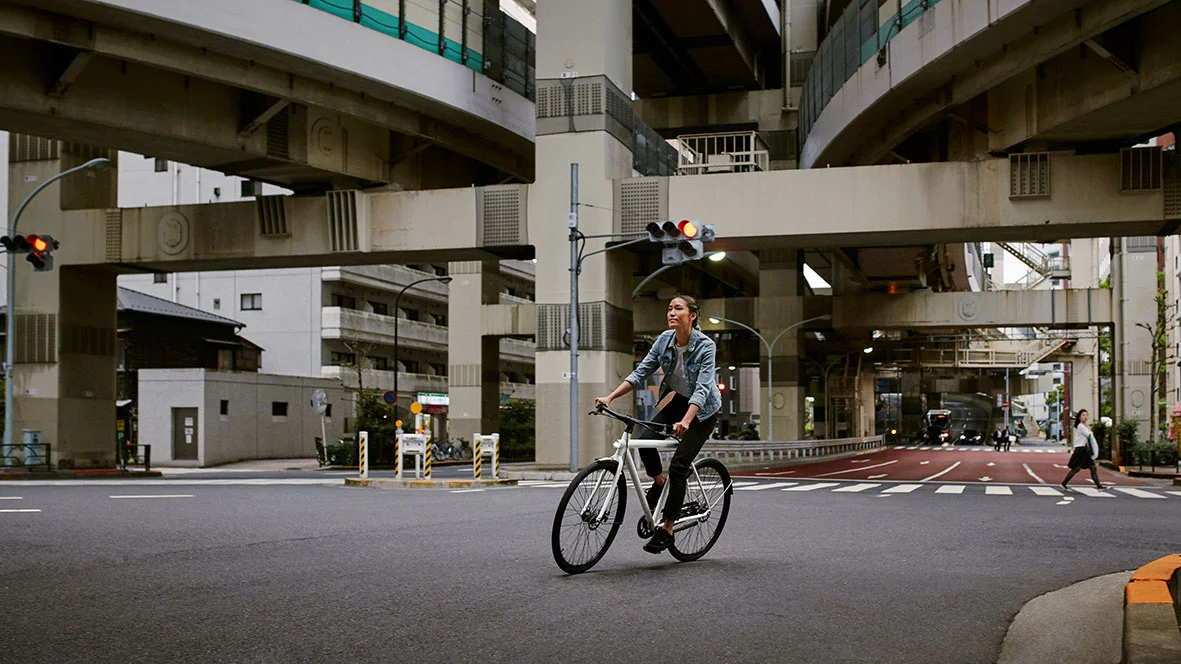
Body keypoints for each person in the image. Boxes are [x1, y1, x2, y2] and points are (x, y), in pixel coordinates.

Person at [595, 294, 722, 554]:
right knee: (642, 438)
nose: (671, 313)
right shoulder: (664, 340)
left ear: (692, 315)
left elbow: (703, 387)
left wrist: (687, 420)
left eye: (678, 308)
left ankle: (668, 529)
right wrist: (609, 396)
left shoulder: (706, 346)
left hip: (703, 409)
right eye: (669, 308)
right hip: (675, 399)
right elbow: (641, 372)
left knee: (679, 466)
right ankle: (659, 482)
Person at [1061, 409, 1105, 490]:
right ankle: (1064, 483)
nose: (1086, 417)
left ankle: (1099, 485)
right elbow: (1089, 435)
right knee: (1077, 468)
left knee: (1092, 467)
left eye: (1086, 415)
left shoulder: (1082, 426)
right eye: (1083, 415)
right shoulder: (1080, 426)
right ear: (1079, 417)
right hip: (1081, 450)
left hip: (1083, 449)